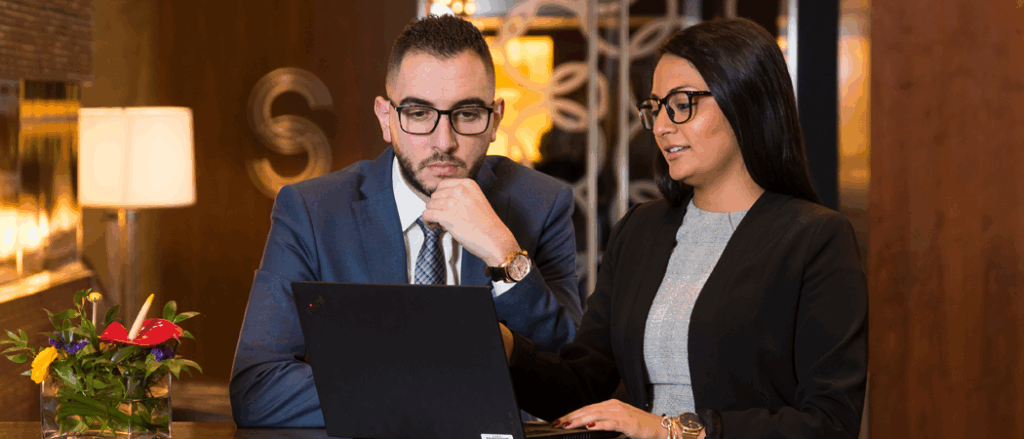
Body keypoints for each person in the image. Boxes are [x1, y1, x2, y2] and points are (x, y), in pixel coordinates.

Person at [501, 18, 867, 439]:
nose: (660, 126)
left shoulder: (815, 239)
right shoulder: (639, 231)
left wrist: (670, 430)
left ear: (745, 101)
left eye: (682, 103)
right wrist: (507, 347)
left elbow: (830, 423)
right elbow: (583, 388)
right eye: (655, 108)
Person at [230, 14, 583, 428]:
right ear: (386, 118)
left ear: (496, 119)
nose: (443, 141)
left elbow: (572, 381)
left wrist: (504, 256)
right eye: (419, 113)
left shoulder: (541, 203)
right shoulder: (311, 211)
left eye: (467, 114)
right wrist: (430, 390)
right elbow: (257, 388)